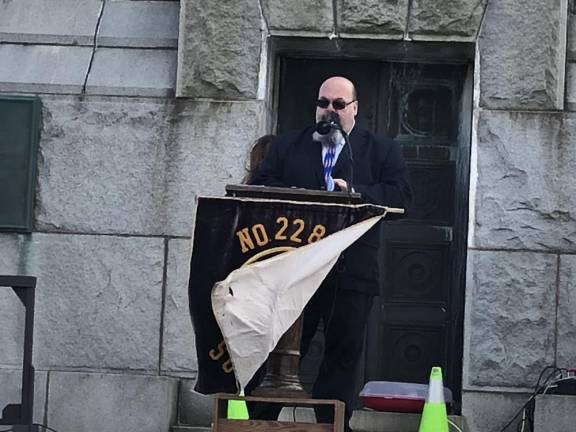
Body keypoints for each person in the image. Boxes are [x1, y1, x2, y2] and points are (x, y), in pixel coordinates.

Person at [249, 76, 412, 431]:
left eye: (339, 104)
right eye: (324, 103)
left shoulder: (381, 150)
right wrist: (306, 194)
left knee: (342, 354)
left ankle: (334, 424)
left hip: (351, 271)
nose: (330, 111)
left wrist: (356, 190)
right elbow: (260, 184)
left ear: (354, 108)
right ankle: (259, 423)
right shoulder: (289, 145)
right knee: (282, 352)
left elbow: (400, 197)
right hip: (297, 268)